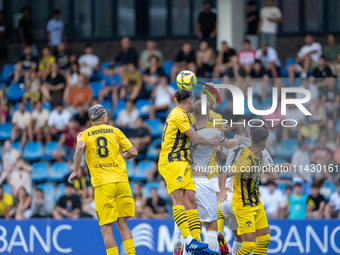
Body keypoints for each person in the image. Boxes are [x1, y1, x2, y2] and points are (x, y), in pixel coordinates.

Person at [67, 104, 138, 255]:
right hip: (122, 182)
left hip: (103, 185)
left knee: (106, 229)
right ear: (105, 118)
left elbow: (80, 147)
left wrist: (75, 169)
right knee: (123, 225)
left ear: (90, 119)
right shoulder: (115, 130)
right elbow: (133, 151)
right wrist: (122, 156)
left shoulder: (84, 134)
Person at [158, 89, 222, 254]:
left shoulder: (183, 115)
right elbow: (195, 138)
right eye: (193, 100)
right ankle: (188, 240)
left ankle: (197, 243)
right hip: (172, 161)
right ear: (189, 101)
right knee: (178, 200)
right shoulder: (178, 114)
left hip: (183, 162)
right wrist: (211, 141)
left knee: (191, 201)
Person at [173, 99, 239, 255]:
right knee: (211, 226)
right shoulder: (213, 132)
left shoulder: (185, 133)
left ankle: (179, 238)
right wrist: (236, 140)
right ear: (209, 114)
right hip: (203, 181)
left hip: (186, 181)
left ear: (193, 115)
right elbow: (228, 145)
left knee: (191, 228)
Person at [218, 126, 292, 255]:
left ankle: (219, 229)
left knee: (264, 239)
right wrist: (223, 191)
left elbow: (274, 175)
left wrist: (279, 166)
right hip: (243, 205)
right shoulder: (246, 160)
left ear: (250, 136)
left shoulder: (259, 154)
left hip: (256, 203)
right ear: (265, 142)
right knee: (248, 246)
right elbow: (223, 175)